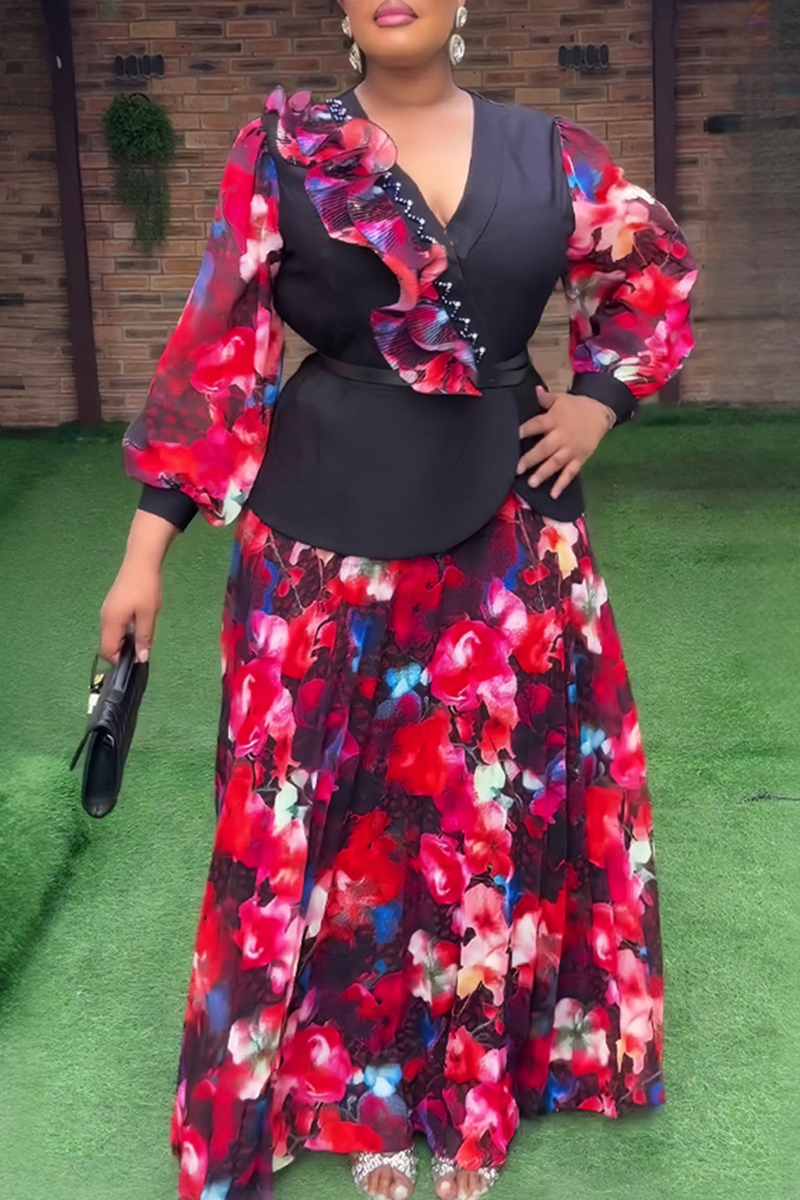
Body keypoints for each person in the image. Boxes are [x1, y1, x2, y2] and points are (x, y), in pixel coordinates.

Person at [99, 3, 697, 1199]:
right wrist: (145, 547)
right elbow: (219, 343)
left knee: (487, 805)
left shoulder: (551, 153)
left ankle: (468, 1082)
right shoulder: (282, 150)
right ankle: (353, 1091)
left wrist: (599, 400)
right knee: (324, 810)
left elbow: (649, 274)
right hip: (315, 539)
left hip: (509, 532)